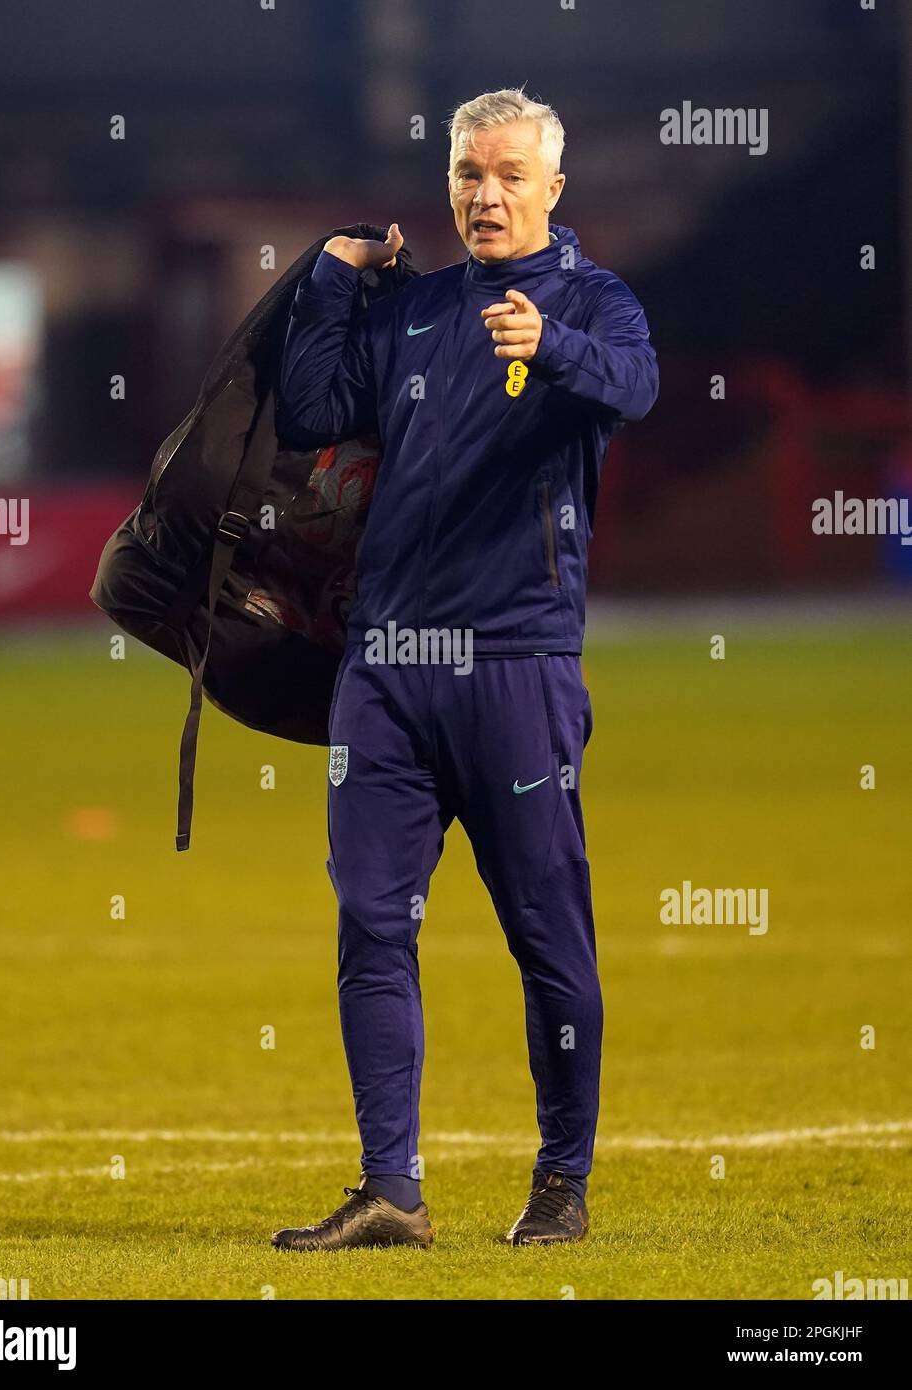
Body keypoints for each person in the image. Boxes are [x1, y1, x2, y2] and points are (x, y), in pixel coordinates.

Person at [272, 86, 658, 1250]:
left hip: (516, 663)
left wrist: (557, 348)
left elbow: (635, 390)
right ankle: (392, 1187)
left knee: (547, 932)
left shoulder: (596, 302)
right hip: (387, 667)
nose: (484, 196)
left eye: (506, 176)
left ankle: (562, 1183)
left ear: (551, 188)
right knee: (369, 922)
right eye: (465, 175)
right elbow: (310, 414)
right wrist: (333, 282)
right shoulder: (420, 309)